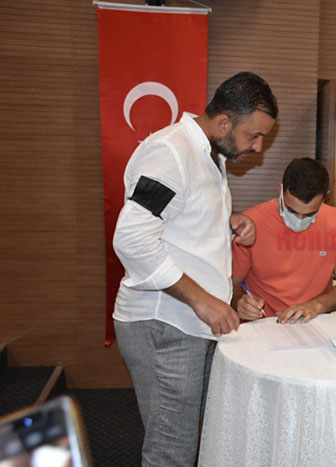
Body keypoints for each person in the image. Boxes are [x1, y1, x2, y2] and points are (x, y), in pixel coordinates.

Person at [112, 72, 277, 467]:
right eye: (254, 136)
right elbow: (132, 239)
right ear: (224, 122)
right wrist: (202, 300)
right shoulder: (170, 152)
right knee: (171, 450)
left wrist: (228, 221)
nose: (258, 146)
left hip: (188, 323)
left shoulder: (209, 153)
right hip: (164, 323)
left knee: (189, 438)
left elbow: (176, 218)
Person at [233, 158, 336, 324]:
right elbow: (231, 284)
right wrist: (240, 303)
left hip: (313, 322)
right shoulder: (251, 224)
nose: (299, 220)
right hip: (264, 324)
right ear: (281, 189)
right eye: (291, 211)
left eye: (310, 214)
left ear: (326, 197)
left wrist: (315, 306)